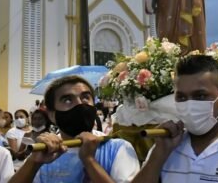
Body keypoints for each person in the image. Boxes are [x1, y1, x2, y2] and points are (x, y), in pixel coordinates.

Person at [10, 75, 139, 183]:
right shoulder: (45, 151)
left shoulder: (117, 148)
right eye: (67, 100)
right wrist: (33, 162)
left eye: (85, 97)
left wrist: (89, 161)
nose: (79, 104)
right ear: (52, 115)